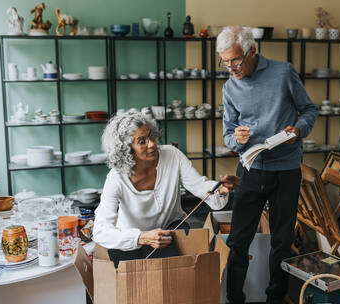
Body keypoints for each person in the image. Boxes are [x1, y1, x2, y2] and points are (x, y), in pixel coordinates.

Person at [217, 26, 318, 304]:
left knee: (282, 241)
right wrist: (236, 139)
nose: (231, 68)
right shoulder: (229, 88)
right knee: (238, 241)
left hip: (285, 171)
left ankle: (276, 298)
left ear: (252, 52)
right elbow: (227, 134)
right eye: (225, 62)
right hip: (249, 171)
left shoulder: (283, 72)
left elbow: (309, 110)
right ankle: (235, 298)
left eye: (235, 61)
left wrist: (298, 130)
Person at [93, 112, 240, 266]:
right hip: (134, 240)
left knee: (177, 267)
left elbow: (199, 186)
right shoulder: (116, 178)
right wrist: (141, 237)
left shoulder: (172, 155)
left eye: (151, 136)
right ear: (126, 150)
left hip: (172, 230)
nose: (152, 144)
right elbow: (100, 230)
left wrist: (220, 188)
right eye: (142, 141)